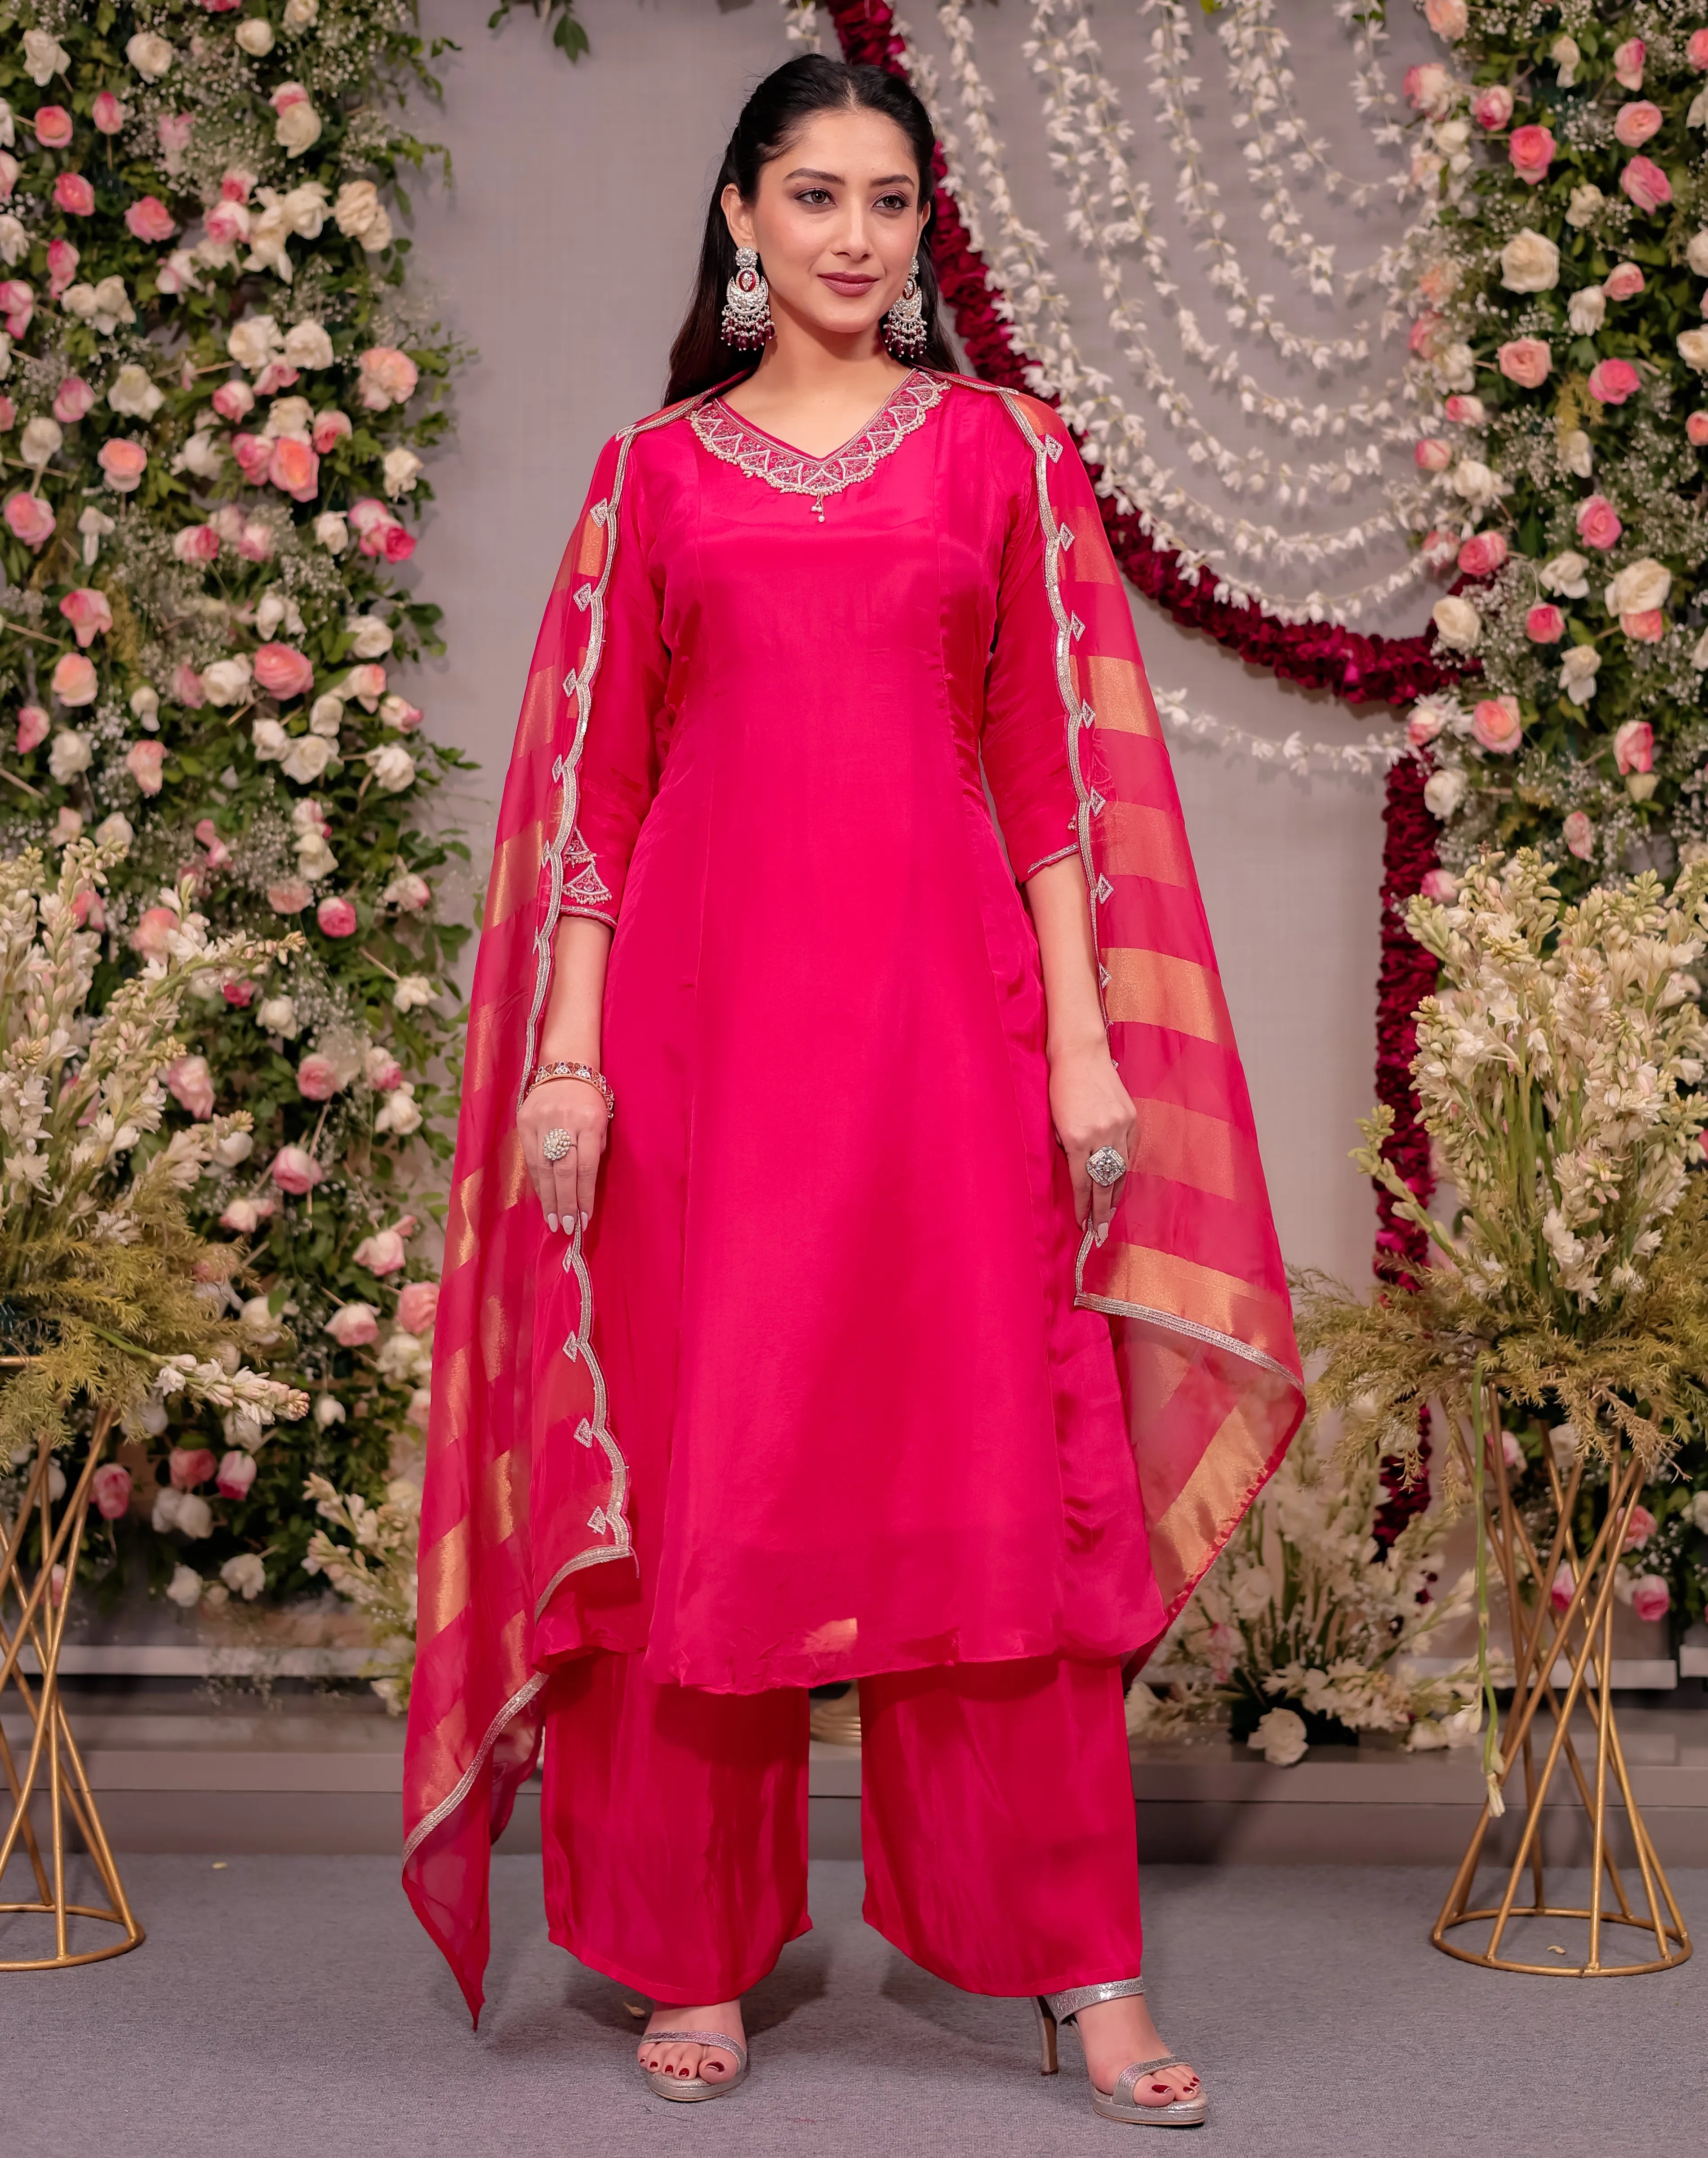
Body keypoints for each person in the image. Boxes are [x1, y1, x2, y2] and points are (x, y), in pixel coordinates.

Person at [403, 54, 1302, 2130]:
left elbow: (1045, 783)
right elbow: (595, 799)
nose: (850, 236)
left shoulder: (998, 457)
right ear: (738, 219)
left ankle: (1075, 1974)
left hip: (941, 1032)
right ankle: (683, 1951)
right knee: (706, 1476)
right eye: (810, 196)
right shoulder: (655, 481)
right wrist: (565, 1055)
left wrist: (1082, 1044)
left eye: (887, 202)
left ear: (919, 230)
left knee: (999, 1482)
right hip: (696, 1055)